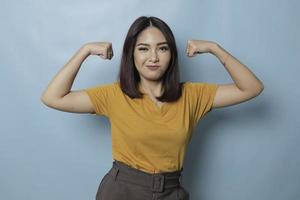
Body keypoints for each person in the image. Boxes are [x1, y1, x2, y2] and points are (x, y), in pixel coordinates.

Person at [40, 16, 264, 200]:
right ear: (132, 54)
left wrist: (215, 49)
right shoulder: (113, 95)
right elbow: (52, 97)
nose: (153, 57)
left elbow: (252, 88)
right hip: (121, 191)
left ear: (172, 54)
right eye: (144, 49)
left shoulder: (193, 95)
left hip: (171, 191)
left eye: (162, 48)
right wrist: (85, 50)